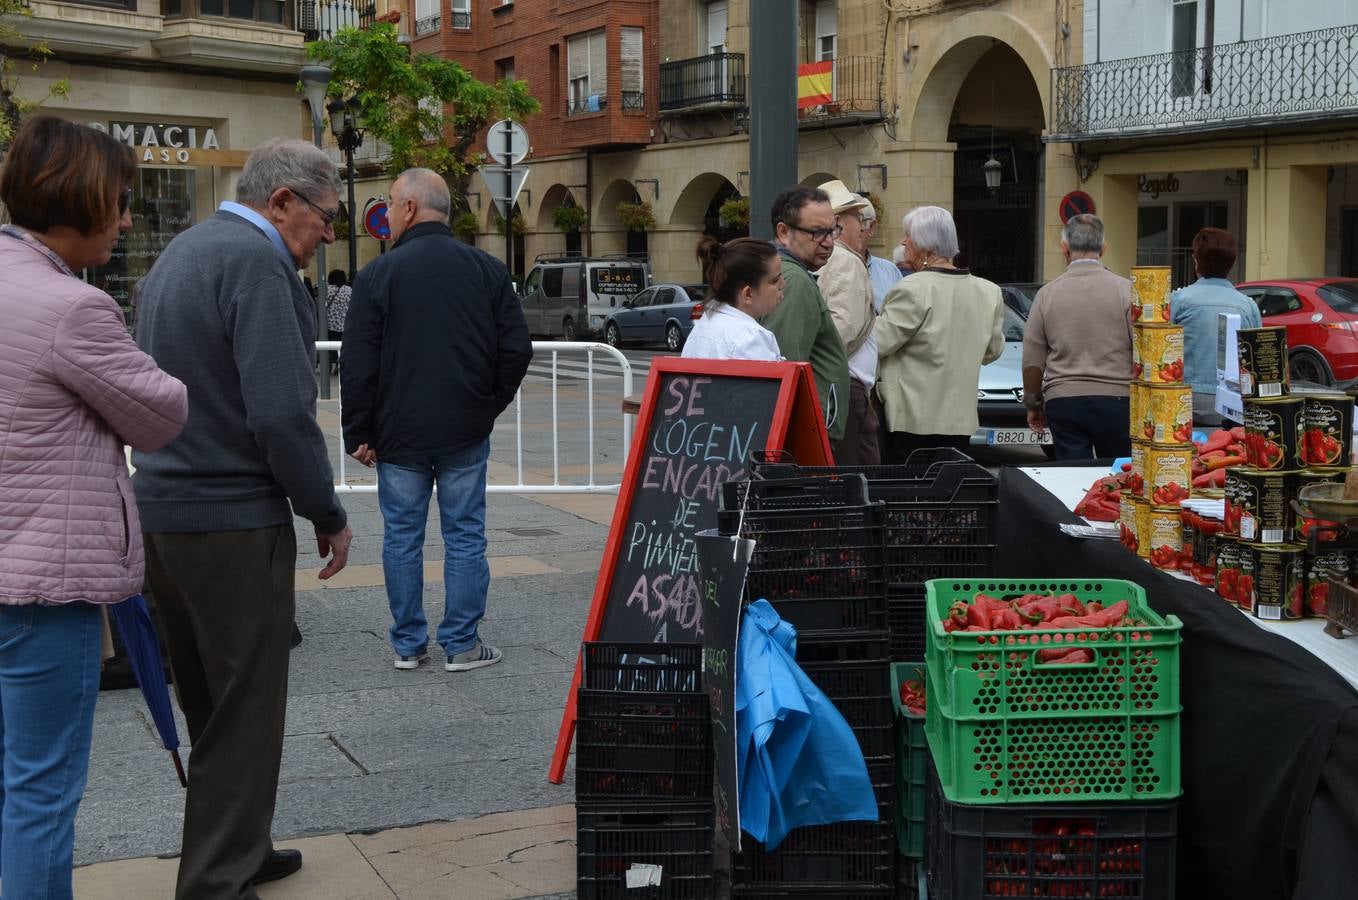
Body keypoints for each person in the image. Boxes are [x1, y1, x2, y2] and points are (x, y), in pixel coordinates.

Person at [132, 137, 353, 899]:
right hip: (229, 515)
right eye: (327, 216)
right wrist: (324, 509)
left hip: (166, 508)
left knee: (210, 700)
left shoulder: (183, 251)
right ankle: (219, 878)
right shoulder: (259, 264)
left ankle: (241, 845)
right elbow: (282, 412)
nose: (331, 233)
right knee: (246, 705)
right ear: (282, 200)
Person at [0, 115, 187, 900]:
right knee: (41, 791)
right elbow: (163, 412)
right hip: (47, 585)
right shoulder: (72, 309)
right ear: (77, 200)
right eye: (117, 200)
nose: (124, 219)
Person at [341, 168, 531, 673]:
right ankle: (462, 644)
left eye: (390, 206)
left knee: (402, 535)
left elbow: (358, 359)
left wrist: (358, 430)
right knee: (465, 533)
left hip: (397, 432)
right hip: (464, 428)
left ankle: (408, 644)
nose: (388, 217)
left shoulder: (377, 275)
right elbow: (517, 349)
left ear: (407, 209)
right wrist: (487, 404)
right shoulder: (487, 271)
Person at [874, 206, 1005, 461]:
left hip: (911, 417)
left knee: (909, 493)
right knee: (949, 493)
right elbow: (992, 350)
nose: (903, 241)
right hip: (960, 418)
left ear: (926, 245)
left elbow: (878, 343)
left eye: (908, 234)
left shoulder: (913, 288)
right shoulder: (989, 291)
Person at [1022, 214, 1134, 460]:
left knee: (1072, 473)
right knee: (1117, 478)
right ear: (1104, 248)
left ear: (1065, 248)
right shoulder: (1127, 290)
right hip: (1118, 400)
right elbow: (1143, 349)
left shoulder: (1046, 294)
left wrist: (1033, 403)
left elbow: (1032, 358)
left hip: (1064, 400)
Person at [762, 186, 851, 444]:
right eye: (817, 232)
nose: (829, 241)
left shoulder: (787, 274)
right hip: (805, 436)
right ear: (783, 232)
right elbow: (786, 361)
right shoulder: (793, 280)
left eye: (833, 230)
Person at [815, 179, 880, 465]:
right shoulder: (845, 260)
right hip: (846, 386)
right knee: (859, 471)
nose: (862, 226)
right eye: (857, 217)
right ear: (839, 222)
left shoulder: (836, 259)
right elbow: (842, 330)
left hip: (842, 384)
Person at [1171, 227, 1260, 425]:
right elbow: (1257, 360)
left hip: (1188, 403)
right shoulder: (1248, 306)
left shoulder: (1178, 301)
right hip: (1235, 406)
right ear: (1232, 263)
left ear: (1196, 261)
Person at [683, 236, 785, 361]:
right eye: (775, 280)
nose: (783, 284)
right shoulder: (750, 337)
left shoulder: (703, 326)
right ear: (748, 294)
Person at [859, 199, 905, 311]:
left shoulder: (890, 271)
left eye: (858, 220)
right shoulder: (821, 270)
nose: (846, 228)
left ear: (872, 227)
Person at [326, 268, 351, 342]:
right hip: (345, 325)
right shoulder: (348, 290)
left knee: (332, 347)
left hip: (330, 325)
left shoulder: (326, 289)